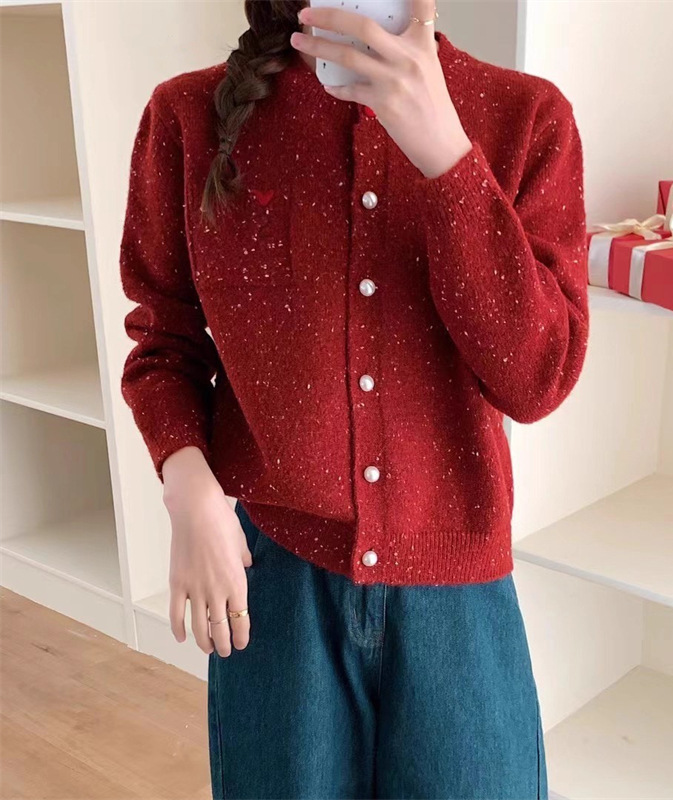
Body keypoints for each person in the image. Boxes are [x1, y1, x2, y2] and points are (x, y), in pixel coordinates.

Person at [119, 0, 589, 797]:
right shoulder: (188, 117)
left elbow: (538, 377)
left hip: (458, 591)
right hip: (271, 581)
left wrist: (446, 155)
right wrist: (187, 487)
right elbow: (163, 340)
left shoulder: (524, 116)